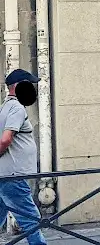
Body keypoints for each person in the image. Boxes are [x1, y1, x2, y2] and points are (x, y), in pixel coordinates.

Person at [0, 69, 47, 245]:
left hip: (5, 175)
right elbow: (5, 139)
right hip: (14, 176)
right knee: (31, 219)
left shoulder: (5, 107)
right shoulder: (17, 108)